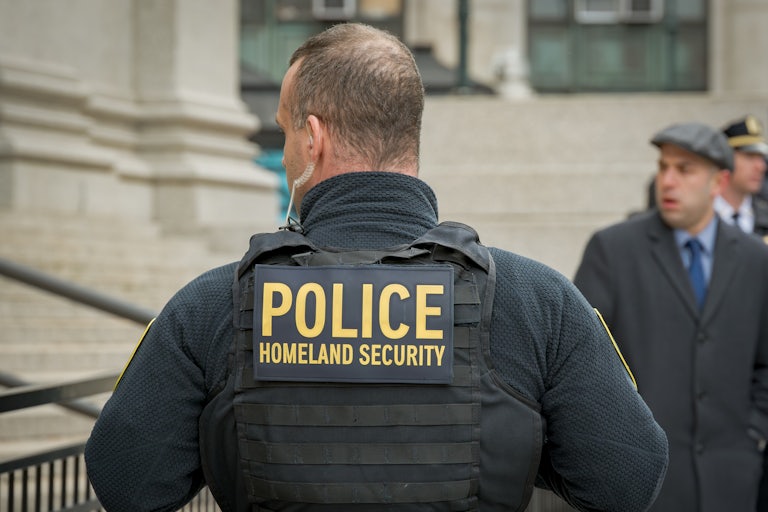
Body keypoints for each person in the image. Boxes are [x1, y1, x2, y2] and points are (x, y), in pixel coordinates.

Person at [85, 23, 668, 512]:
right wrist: (507, 443)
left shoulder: (214, 303)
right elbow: (629, 476)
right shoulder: (537, 300)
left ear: (312, 138)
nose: (286, 151)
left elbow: (124, 480)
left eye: (287, 128)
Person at [574, 122, 768, 512]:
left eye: (685, 169)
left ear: (719, 182)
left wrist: (753, 432)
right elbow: (581, 364)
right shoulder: (612, 250)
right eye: (663, 167)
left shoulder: (755, 259)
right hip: (643, 483)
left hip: (731, 481)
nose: (668, 180)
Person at [715, 115, 768, 240]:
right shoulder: (696, 217)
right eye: (749, 156)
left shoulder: (764, 216)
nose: (760, 167)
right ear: (725, 159)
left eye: (761, 158)